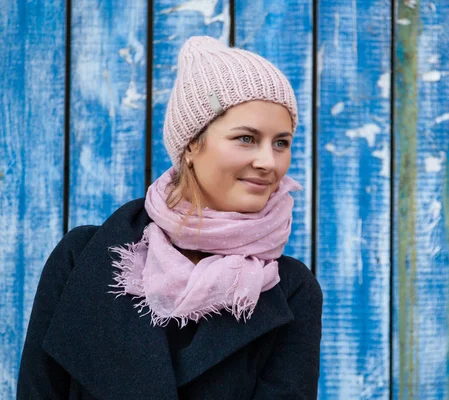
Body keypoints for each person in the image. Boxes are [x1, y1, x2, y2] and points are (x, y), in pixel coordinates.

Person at [17, 36, 322, 400]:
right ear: (193, 143)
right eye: (246, 138)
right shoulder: (83, 257)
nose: (268, 162)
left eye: (281, 143)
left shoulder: (289, 290)